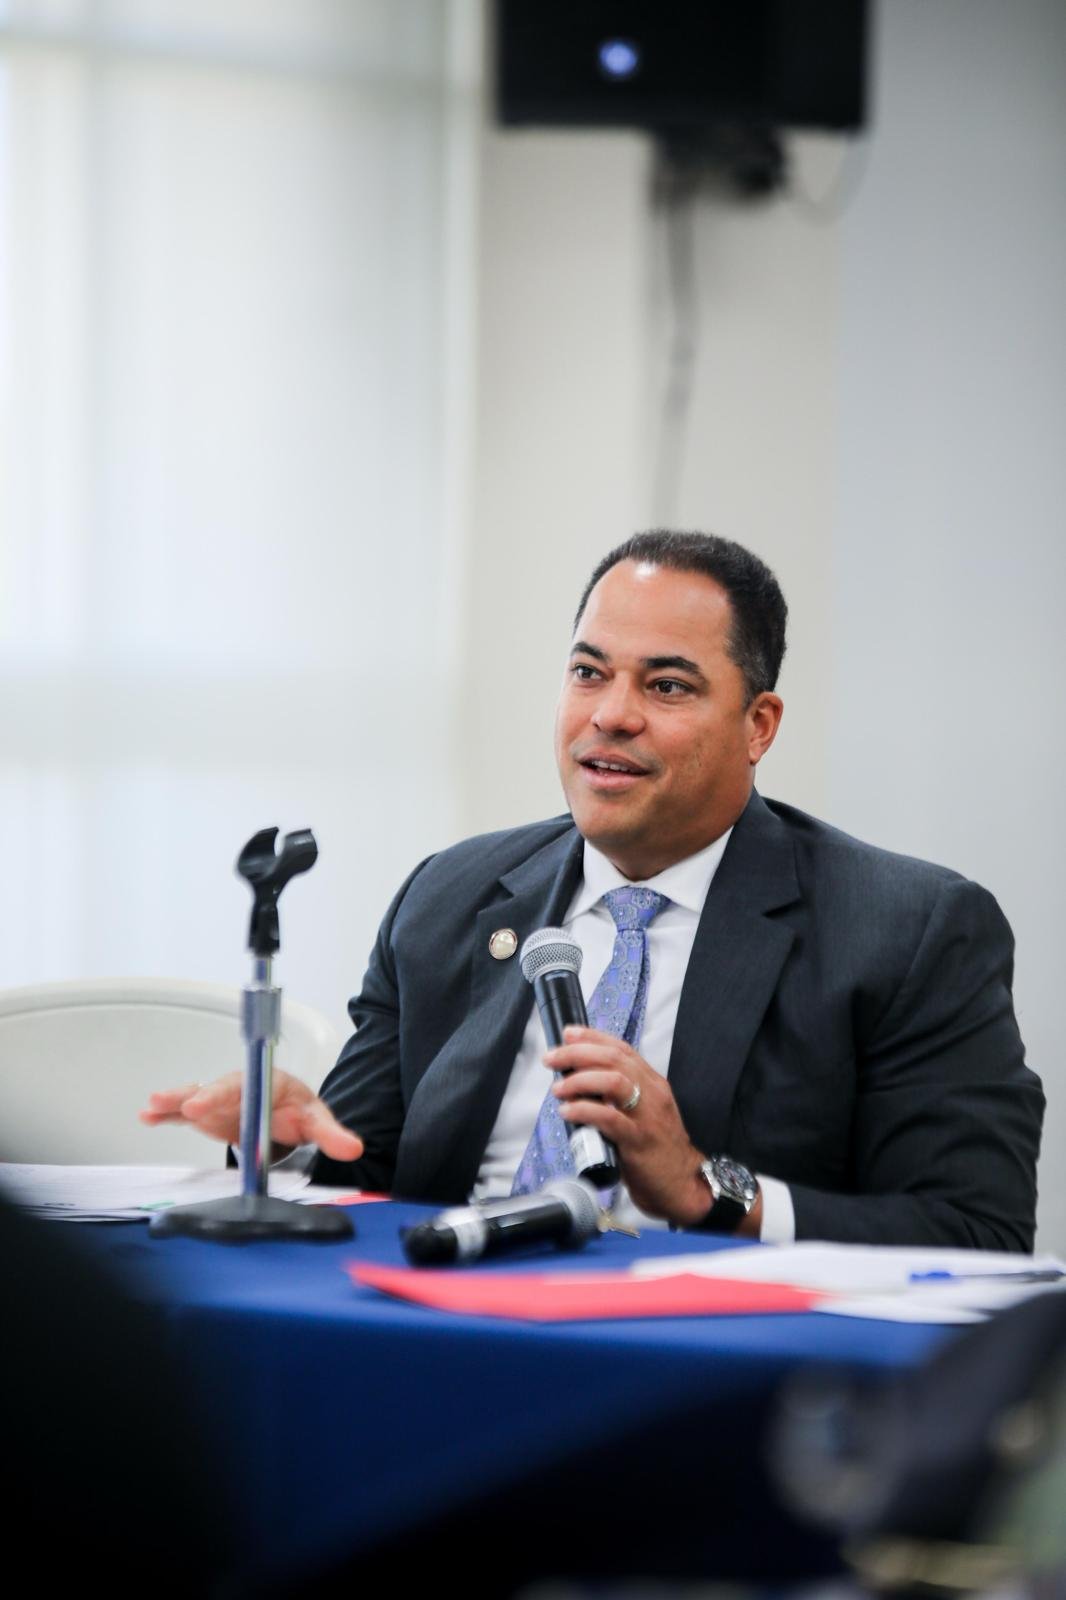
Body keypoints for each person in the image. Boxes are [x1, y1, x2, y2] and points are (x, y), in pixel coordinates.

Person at [143, 531, 1044, 1247]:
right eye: (588, 672)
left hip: (705, 1356)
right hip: (449, 1314)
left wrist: (707, 1189)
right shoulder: (450, 896)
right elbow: (364, 1170)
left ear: (759, 725)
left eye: (667, 685)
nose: (611, 713)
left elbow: (978, 1229)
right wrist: (286, 1143)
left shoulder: (906, 930)